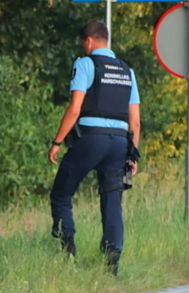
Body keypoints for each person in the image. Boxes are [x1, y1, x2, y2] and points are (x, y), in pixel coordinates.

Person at [48, 20, 140, 276]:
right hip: (119, 143)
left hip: (90, 140)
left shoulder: (86, 64)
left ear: (88, 41)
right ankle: (112, 266)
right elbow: (135, 121)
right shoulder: (127, 71)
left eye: (83, 43)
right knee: (112, 202)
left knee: (61, 194)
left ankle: (68, 253)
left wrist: (57, 142)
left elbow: (75, 108)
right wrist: (132, 154)